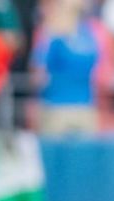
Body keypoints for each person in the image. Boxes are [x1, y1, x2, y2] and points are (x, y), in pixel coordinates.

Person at [30, 0, 102, 135]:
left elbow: (95, 68)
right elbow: (38, 74)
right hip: (56, 108)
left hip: (85, 106)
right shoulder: (51, 33)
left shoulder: (88, 32)